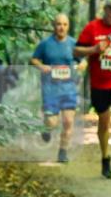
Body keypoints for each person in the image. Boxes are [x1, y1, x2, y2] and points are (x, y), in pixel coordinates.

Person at [75, 0, 111, 179]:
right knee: (104, 122)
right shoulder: (92, 27)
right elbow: (76, 50)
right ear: (105, 9)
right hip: (99, 84)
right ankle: (106, 158)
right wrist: (93, 49)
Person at [30, 13, 78, 162]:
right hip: (50, 89)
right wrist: (41, 66)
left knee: (68, 121)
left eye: (64, 24)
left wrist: (80, 66)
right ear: (53, 26)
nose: (61, 27)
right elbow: (33, 59)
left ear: (68, 26)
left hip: (69, 88)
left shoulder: (74, 43)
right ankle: (47, 129)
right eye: (58, 24)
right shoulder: (45, 44)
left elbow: (83, 61)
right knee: (52, 122)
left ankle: (62, 152)